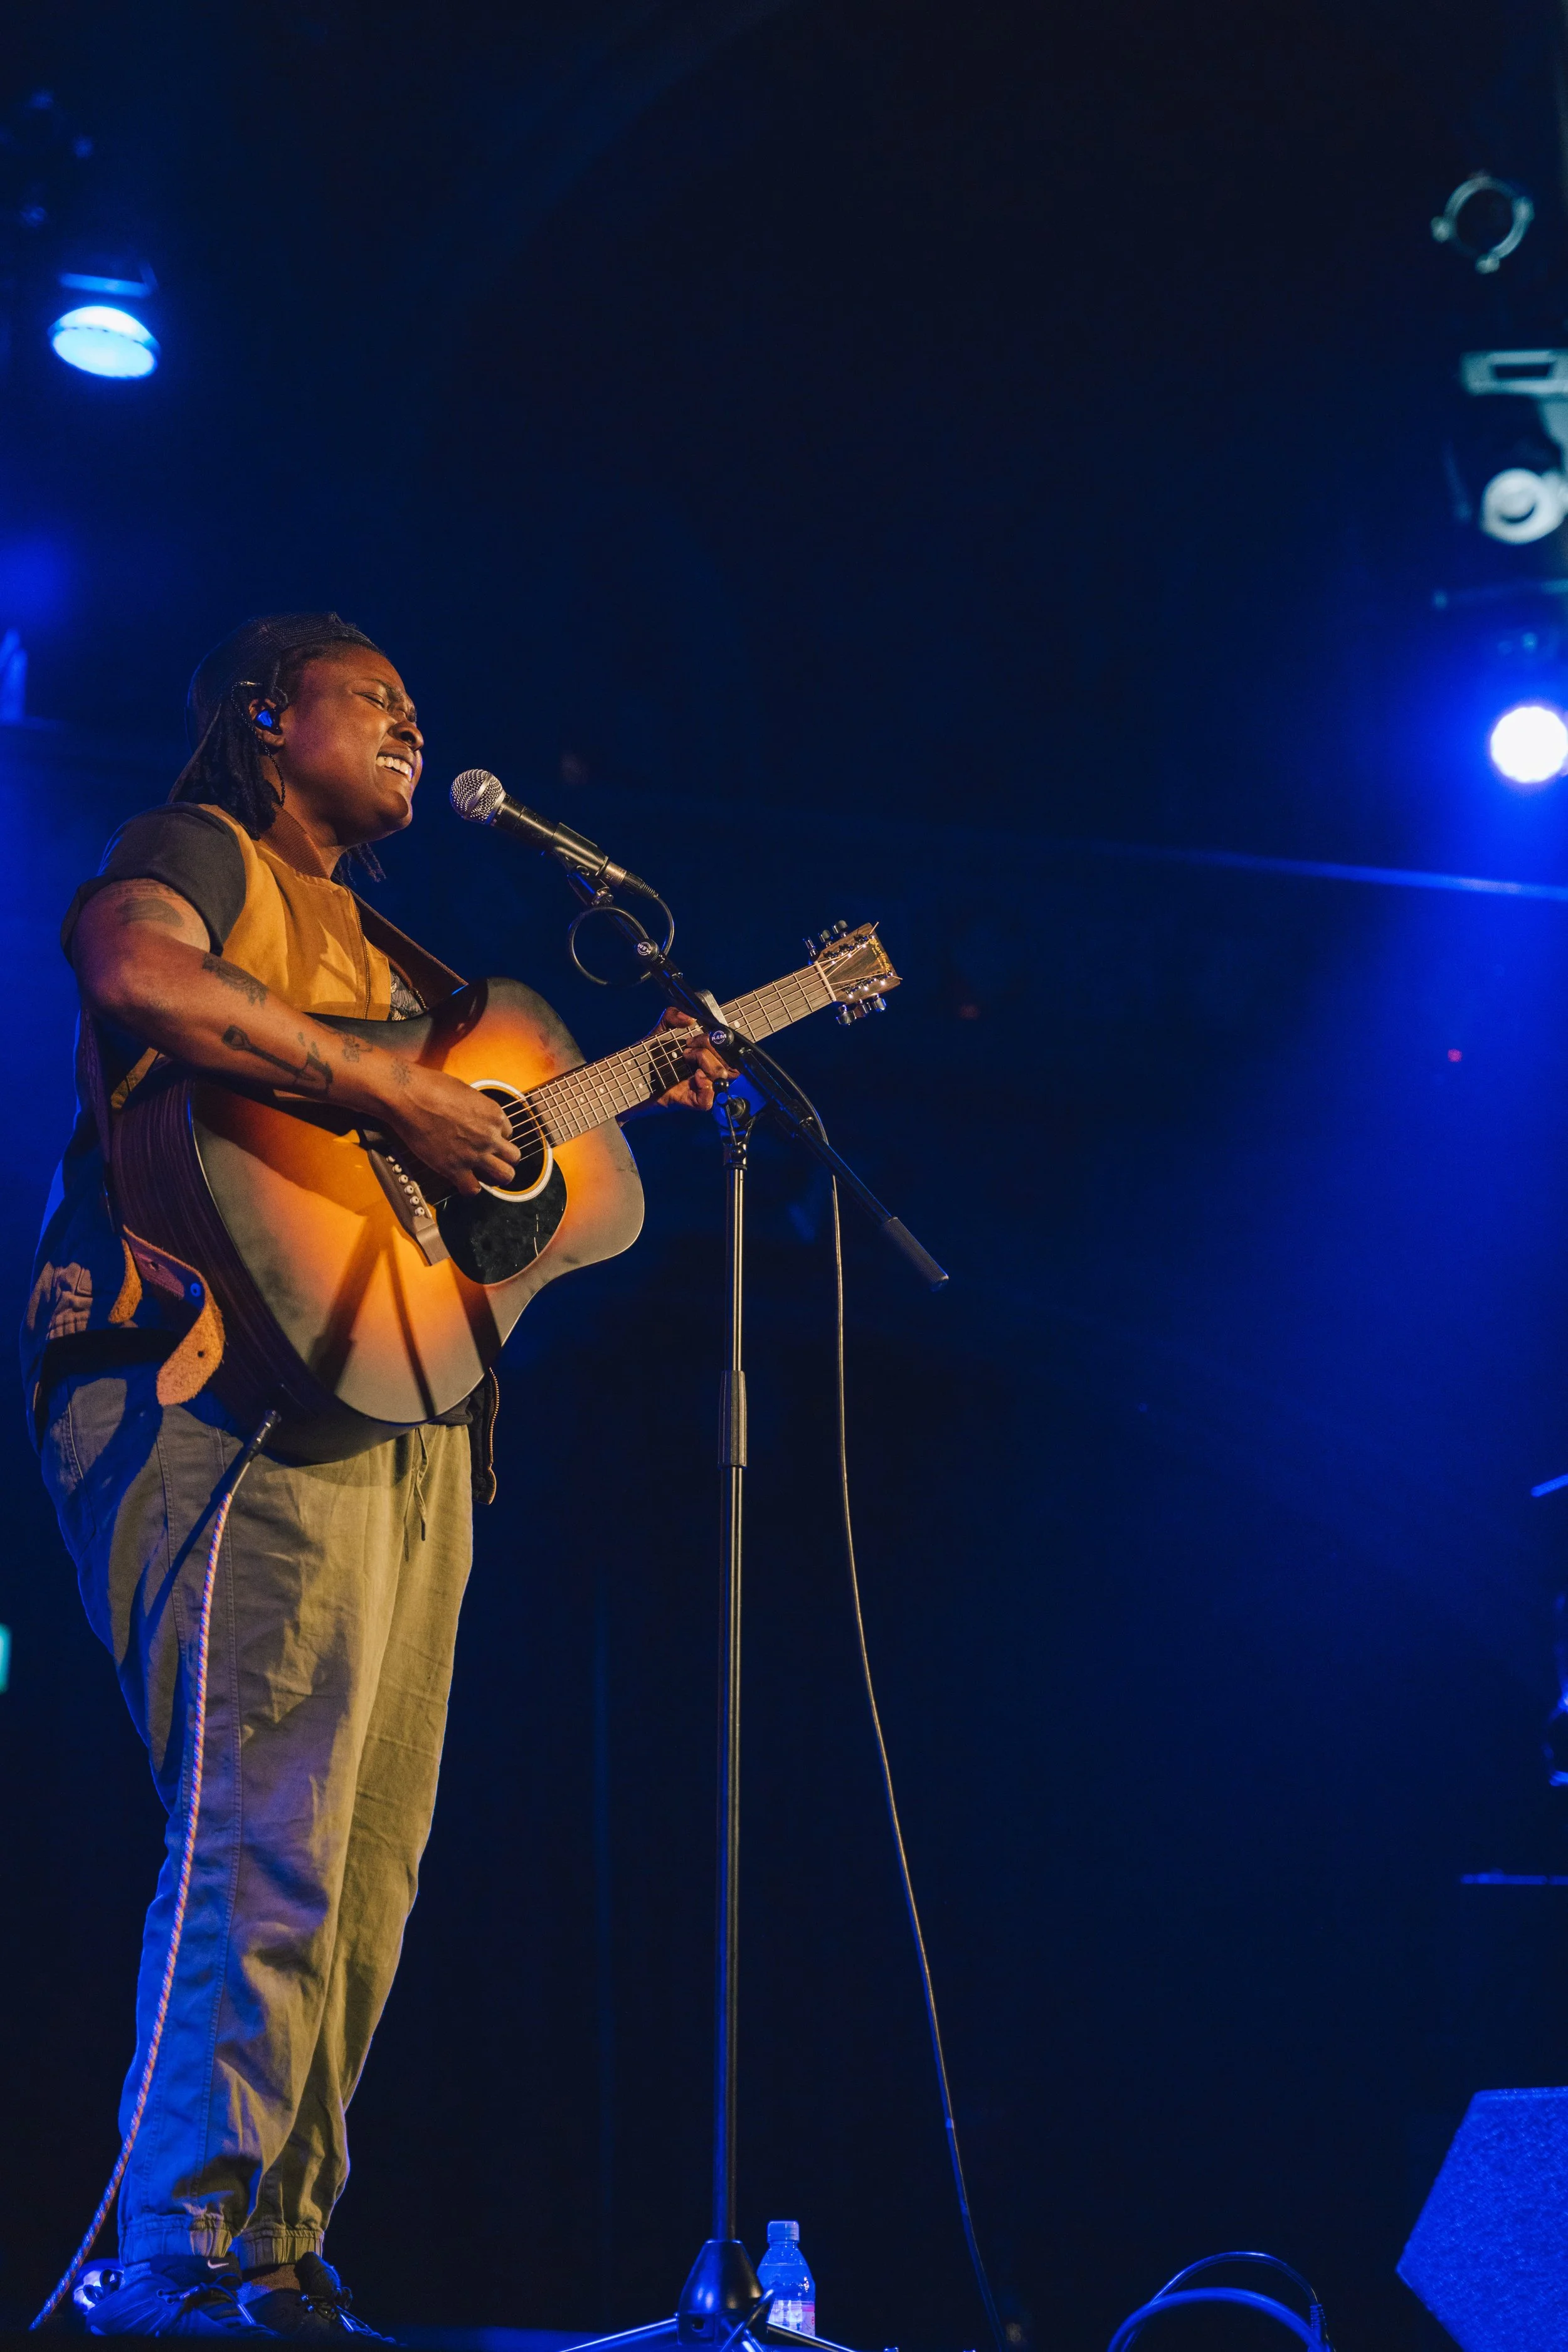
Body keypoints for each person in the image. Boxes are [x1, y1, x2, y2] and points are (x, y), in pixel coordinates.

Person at [23, 615, 722, 2339]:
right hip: (217, 1389)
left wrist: (604, 1107)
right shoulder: (200, 850)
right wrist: (385, 1094)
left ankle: (275, 2248)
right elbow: (130, 967)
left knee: (363, 1861)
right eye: (371, 701)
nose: (411, 724)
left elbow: (486, 1179)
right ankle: (185, 2255)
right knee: (263, 1830)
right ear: (268, 723)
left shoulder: (402, 952)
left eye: (419, 707)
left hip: (399, 1419)